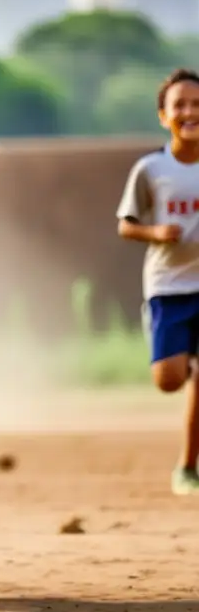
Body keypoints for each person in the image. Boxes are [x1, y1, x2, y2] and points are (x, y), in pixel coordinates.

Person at [116, 68, 199, 496]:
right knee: (169, 380)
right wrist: (156, 232)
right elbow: (126, 224)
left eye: (196, 104)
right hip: (168, 287)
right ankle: (179, 356)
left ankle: (188, 466)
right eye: (179, 105)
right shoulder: (152, 168)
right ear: (164, 116)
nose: (190, 112)